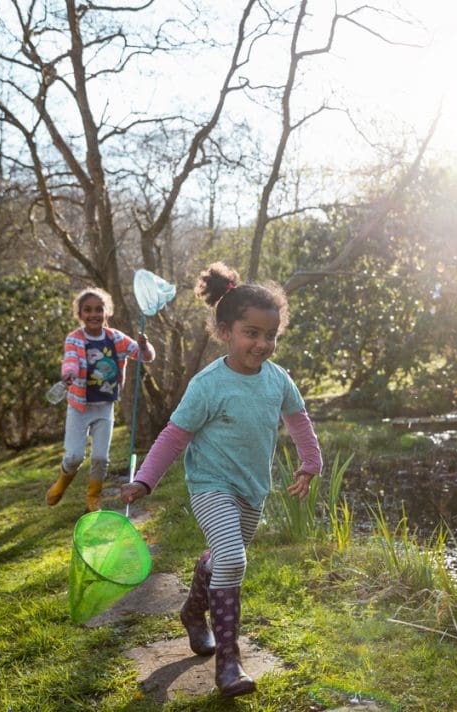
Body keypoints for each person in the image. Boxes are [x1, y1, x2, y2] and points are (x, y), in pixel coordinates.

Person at [119, 262, 322, 698]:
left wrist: (310, 463)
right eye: (252, 333)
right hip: (211, 485)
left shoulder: (277, 379)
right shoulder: (208, 385)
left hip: (253, 490)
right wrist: (145, 482)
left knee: (221, 559)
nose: (262, 343)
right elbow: (174, 436)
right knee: (232, 558)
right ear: (226, 330)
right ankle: (229, 663)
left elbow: (299, 420)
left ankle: (194, 612)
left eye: (270, 335)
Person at [46, 286, 156, 512]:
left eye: (98, 309)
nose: (93, 314)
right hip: (79, 407)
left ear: (107, 312)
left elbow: (144, 356)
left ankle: (93, 497)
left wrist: (145, 346)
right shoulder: (75, 339)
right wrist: (69, 373)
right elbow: (71, 360)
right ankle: (61, 483)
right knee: (75, 456)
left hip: (104, 407)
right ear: (80, 314)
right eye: (87, 310)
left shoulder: (115, 338)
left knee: (100, 458)